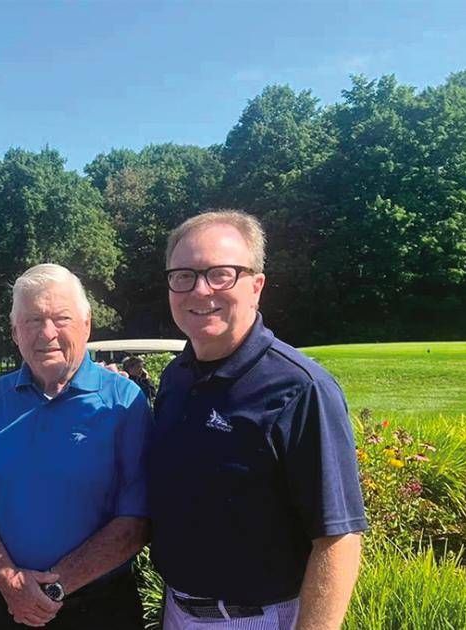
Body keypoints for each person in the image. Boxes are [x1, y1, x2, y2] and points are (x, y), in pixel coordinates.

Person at [151, 211, 366, 629]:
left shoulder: (301, 388)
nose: (200, 290)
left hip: (261, 619)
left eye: (221, 274)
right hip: (178, 613)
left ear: (257, 286)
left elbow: (338, 539)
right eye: (183, 275)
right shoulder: (176, 379)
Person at [0, 264, 151, 629]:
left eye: (61, 318)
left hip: (99, 609)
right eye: (31, 321)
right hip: (7, 602)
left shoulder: (124, 402)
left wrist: (53, 588)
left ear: (86, 324)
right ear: (15, 332)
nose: (47, 333)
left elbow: (136, 521)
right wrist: (9, 580)